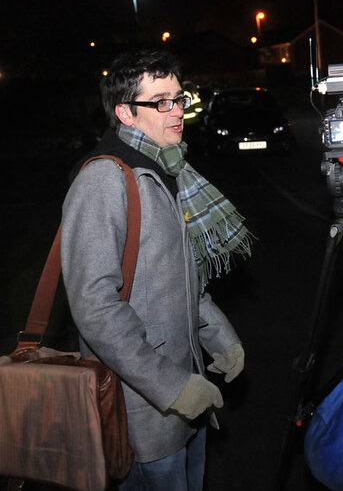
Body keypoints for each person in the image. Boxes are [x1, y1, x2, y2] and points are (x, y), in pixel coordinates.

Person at [61, 50, 251, 490]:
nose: (178, 111)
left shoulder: (168, 169)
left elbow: (184, 275)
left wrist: (219, 337)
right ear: (126, 113)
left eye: (179, 98)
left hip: (188, 393)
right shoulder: (104, 180)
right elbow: (94, 307)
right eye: (161, 102)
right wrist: (172, 387)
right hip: (144, 410)